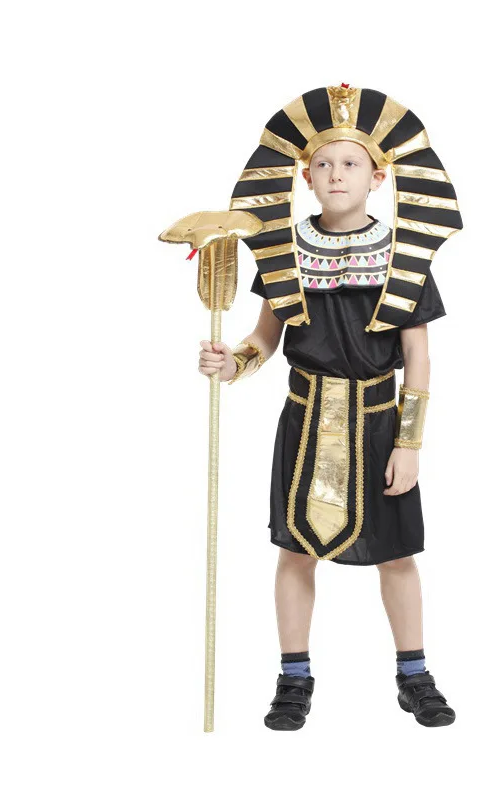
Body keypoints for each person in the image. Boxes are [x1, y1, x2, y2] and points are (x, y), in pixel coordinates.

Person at [197, 85, 462, 730]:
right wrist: (234, 362)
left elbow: (418, 359)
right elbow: (266, 338)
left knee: (397, 553)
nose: (336, 174)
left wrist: (410, 443)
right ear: (305, 176)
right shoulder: (285, 254)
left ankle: (414, 675)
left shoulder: (402, 256)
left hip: (379, 424)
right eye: (323, 163)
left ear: (378, 177)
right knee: (295, 550)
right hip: (305, 420)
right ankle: (294, 678)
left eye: (350, 163)